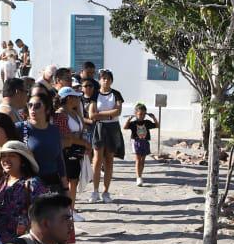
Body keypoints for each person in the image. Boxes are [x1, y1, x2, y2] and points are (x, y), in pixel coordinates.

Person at [0, 140, 47, 241]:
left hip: (24, 243)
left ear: (23, 161)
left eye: (12, 155)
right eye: (3, 156)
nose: (6, 159)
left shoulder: (33, 184)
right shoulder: (0, 182)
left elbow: (43, 214)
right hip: (0, 242)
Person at [18, 90, 66, 189]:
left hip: (53, 184)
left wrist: (65, 188)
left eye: (37, 106)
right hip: (29, 185)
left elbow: (59, 160)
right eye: (30, 105)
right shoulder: (20, 128)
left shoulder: (54, 130)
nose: (32, 109)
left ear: (47, 109)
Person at [90, 70, 125, 201]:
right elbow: (91, 114)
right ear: (99, 80)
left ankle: (106, 191)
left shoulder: (116, 94)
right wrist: (108, 114)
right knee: (97, 160)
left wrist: (101, 114)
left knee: (109, 160)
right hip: (99, 127)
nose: (106, 80)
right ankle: (95, 191)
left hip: (112, 128)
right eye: (103, 78)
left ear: (111, 80)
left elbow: (118, 111)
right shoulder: (95, 94)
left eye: (108, 78)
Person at [54, 88, 91, 203]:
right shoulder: (60, 114)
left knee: (74, 180)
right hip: (66, 151)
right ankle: (69, 209)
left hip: (76, 150)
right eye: (76, 97)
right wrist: (85, 143)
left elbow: (82, 129)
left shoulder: (74, 112)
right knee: (69, 181)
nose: (78, 99)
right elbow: (67, 136)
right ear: (69, 98)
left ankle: (72, 209)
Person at [126, 103, 159, 186]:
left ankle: (140, 174)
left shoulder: (147, 122)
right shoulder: (133, 123)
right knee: (138, 159)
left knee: (142, 161)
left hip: (145, 142)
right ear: (136, 114)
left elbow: (157, 125)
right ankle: (138, 177)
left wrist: (153, 117)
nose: (142, 116)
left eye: (144, 114)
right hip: (136, 142)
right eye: (140, 114)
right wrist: (128, 120)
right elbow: (125, 127)